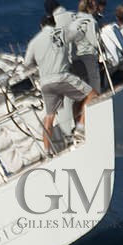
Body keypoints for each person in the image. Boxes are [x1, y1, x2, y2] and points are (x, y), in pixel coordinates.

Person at [23, 11, 93, 151]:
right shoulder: (61, 32)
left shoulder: (34, 42)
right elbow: (79, 36)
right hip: (62, 77)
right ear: (54, 23)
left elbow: (27, 64)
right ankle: (79, 130)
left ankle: (48, 151)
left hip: (45, 83)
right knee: (92, 95)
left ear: (41, 26)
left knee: (49, 118)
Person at [70, 0, 102, 90]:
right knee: (94, 81)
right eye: (95, 6)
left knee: (81, 82)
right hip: (89, 55)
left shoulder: (74, 20)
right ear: (89, 8)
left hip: (76, 56)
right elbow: (94, 42)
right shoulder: (91, 21)